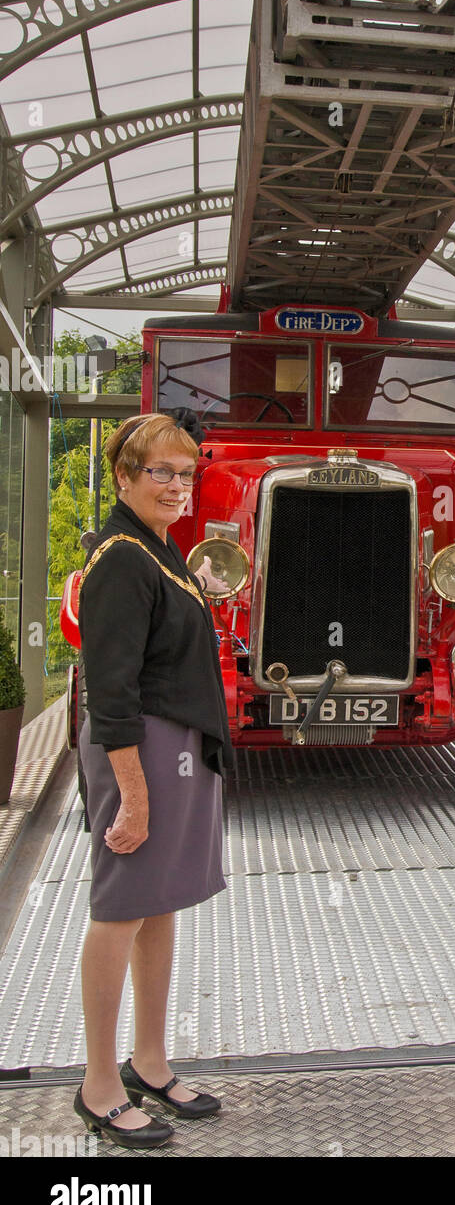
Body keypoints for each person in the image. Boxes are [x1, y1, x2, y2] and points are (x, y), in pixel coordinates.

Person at [73, 410, 233, 1148]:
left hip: (177, 747)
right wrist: (133, 796)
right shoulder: (120, 559)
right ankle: (99, 1083)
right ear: (124, 477)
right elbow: (110, 691)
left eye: (185, 472)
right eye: (160, 472)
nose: (176, 485)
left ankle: (149, 1060)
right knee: (122, 908)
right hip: (140, 752)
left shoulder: (158, 551)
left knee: (159, 904)